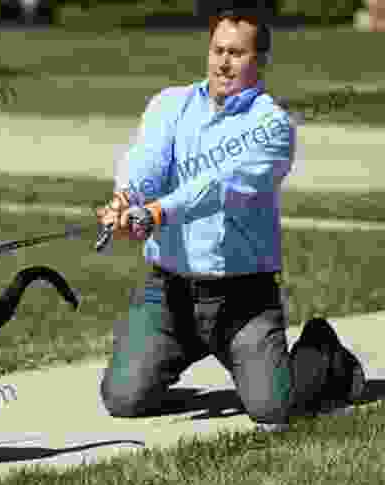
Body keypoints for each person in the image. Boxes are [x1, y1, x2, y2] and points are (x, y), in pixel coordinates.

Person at [95, 7, 365, 431]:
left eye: (236, 53)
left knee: (274, 412)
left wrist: (156, 213)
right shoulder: (171, 104)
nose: (223, 62)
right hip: (170, 294)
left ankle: (324, 353)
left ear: (260, 61)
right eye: (217, 50)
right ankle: (170, 358)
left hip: (244, 300)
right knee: (123, 399)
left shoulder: (271, 126)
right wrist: (126, 198)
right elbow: (145, 161)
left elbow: (219, 188)